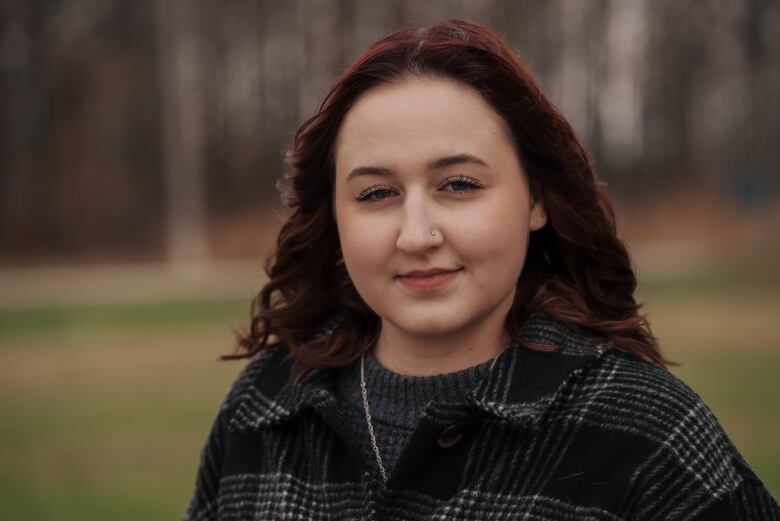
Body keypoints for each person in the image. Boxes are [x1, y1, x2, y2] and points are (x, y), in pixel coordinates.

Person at [183, 18, 779, 521]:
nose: (417, 235)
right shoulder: (265, 407)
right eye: (375, 194)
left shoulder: (646, 431)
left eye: (459, 184)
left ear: (536, 200)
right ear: (333, 218)